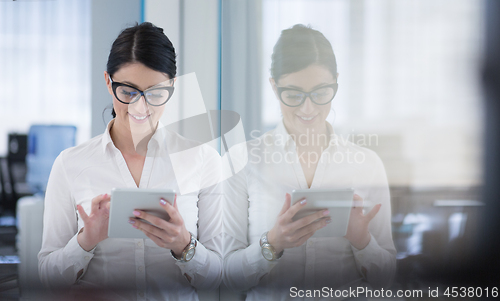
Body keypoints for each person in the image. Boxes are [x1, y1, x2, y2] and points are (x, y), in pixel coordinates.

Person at [38, 22, 223, 300]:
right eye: (128, 91)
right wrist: (85, 241)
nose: (140, 107)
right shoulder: (70, 164)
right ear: (108, 82)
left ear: (172, 86)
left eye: (156, 93)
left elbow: (218, 279)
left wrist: (183, 245)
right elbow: (47, 279)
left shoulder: (203, 161)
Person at [223, 24, 396, 300]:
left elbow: (386, 280)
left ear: (336, 83)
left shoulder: (366, 164)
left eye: (320, 93)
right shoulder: (242, 161)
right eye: (293, 95)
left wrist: (362, 241)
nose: (308, 108)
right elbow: (227, 276)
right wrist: (272, 244)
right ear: (273, 85)